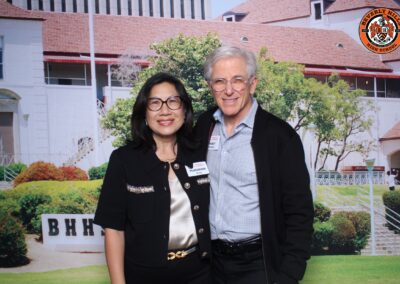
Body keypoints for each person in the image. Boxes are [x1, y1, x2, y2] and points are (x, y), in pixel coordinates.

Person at [195, 46, 314, 284]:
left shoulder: (280, 136)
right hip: (211, 264)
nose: (228, 90)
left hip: (259, 264)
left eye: (237, 80)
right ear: (211, 87)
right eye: (220, 81)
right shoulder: (204, 126)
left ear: (253, 83)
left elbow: (299, 212)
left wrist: (289, 273)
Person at [94, 72, 211, 284]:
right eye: (155, 103)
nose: (165, 110)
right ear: (144, 113)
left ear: (184, 110)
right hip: (143, 274)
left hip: (199, 273)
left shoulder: (201, 154)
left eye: (173, 102)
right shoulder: (124, 160)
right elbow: (113, 230)